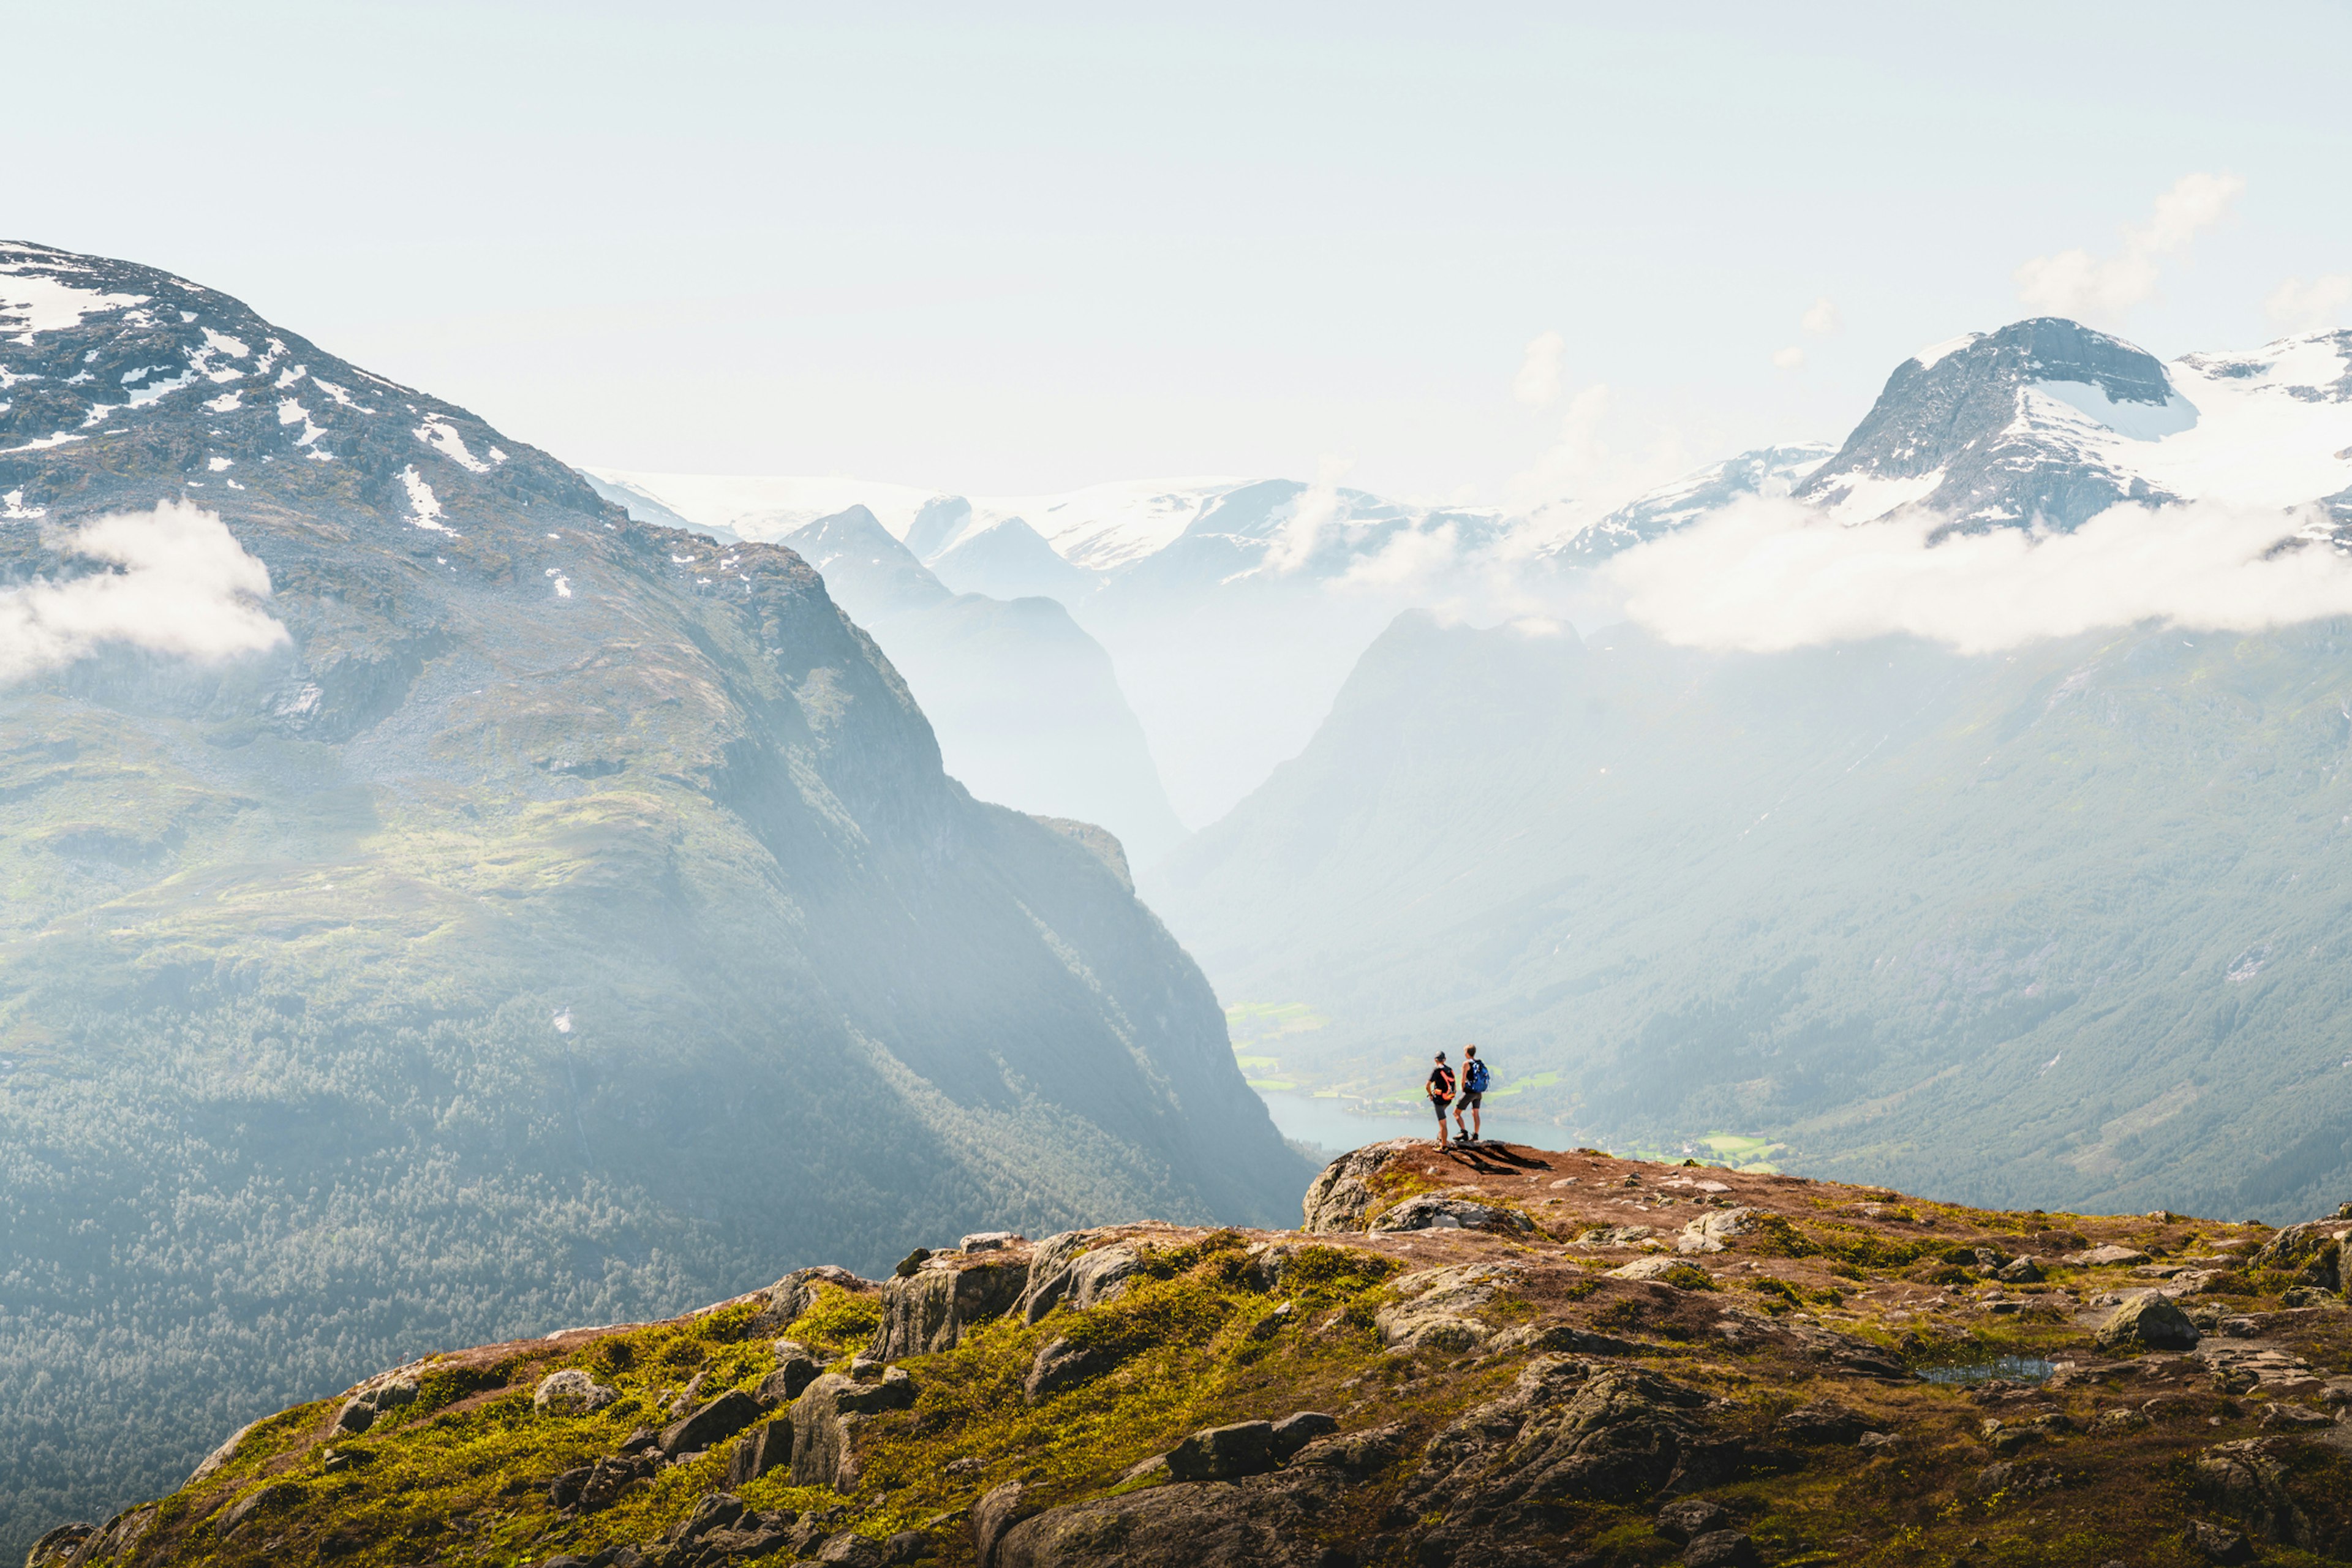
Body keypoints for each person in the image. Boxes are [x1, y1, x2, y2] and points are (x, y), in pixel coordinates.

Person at [1455, 1044, 1490, 1145]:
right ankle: (1476, 1135)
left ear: (1467, 1053)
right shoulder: (1479, 1063)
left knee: (1456, 1113)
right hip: (1479, 1093)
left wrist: (1463, 1088)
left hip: (1470, 1092)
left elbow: (1463, 1079)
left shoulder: (1466, 1064)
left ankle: (1464, 1132)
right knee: (1476, 1113)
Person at [1425, 1051, 1456, 1147]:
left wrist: (1430, 1095)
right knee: (1442, 1121)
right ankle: (1441, 1136)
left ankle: (1444, 1146)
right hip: (1448, 1099)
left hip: (1439, 1100)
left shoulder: (1436, 1071)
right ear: (1445, 1060)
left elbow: (1427, 1086)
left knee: (1442, 1124)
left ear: (1435, 1060)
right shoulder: (1449, 1070)